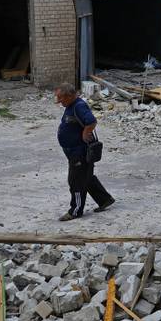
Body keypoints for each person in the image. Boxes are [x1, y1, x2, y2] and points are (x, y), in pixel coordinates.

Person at [54, 83, 115, 221]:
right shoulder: (71, 105)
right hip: (73, 152)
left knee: (75, 181)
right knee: (86, 177)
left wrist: (85, 133)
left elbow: (91, 121)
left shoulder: (79, 106)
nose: (59, 101)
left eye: (61, 98)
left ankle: (75, 211)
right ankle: (104, 199)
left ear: (70, 96)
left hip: (80, 153)